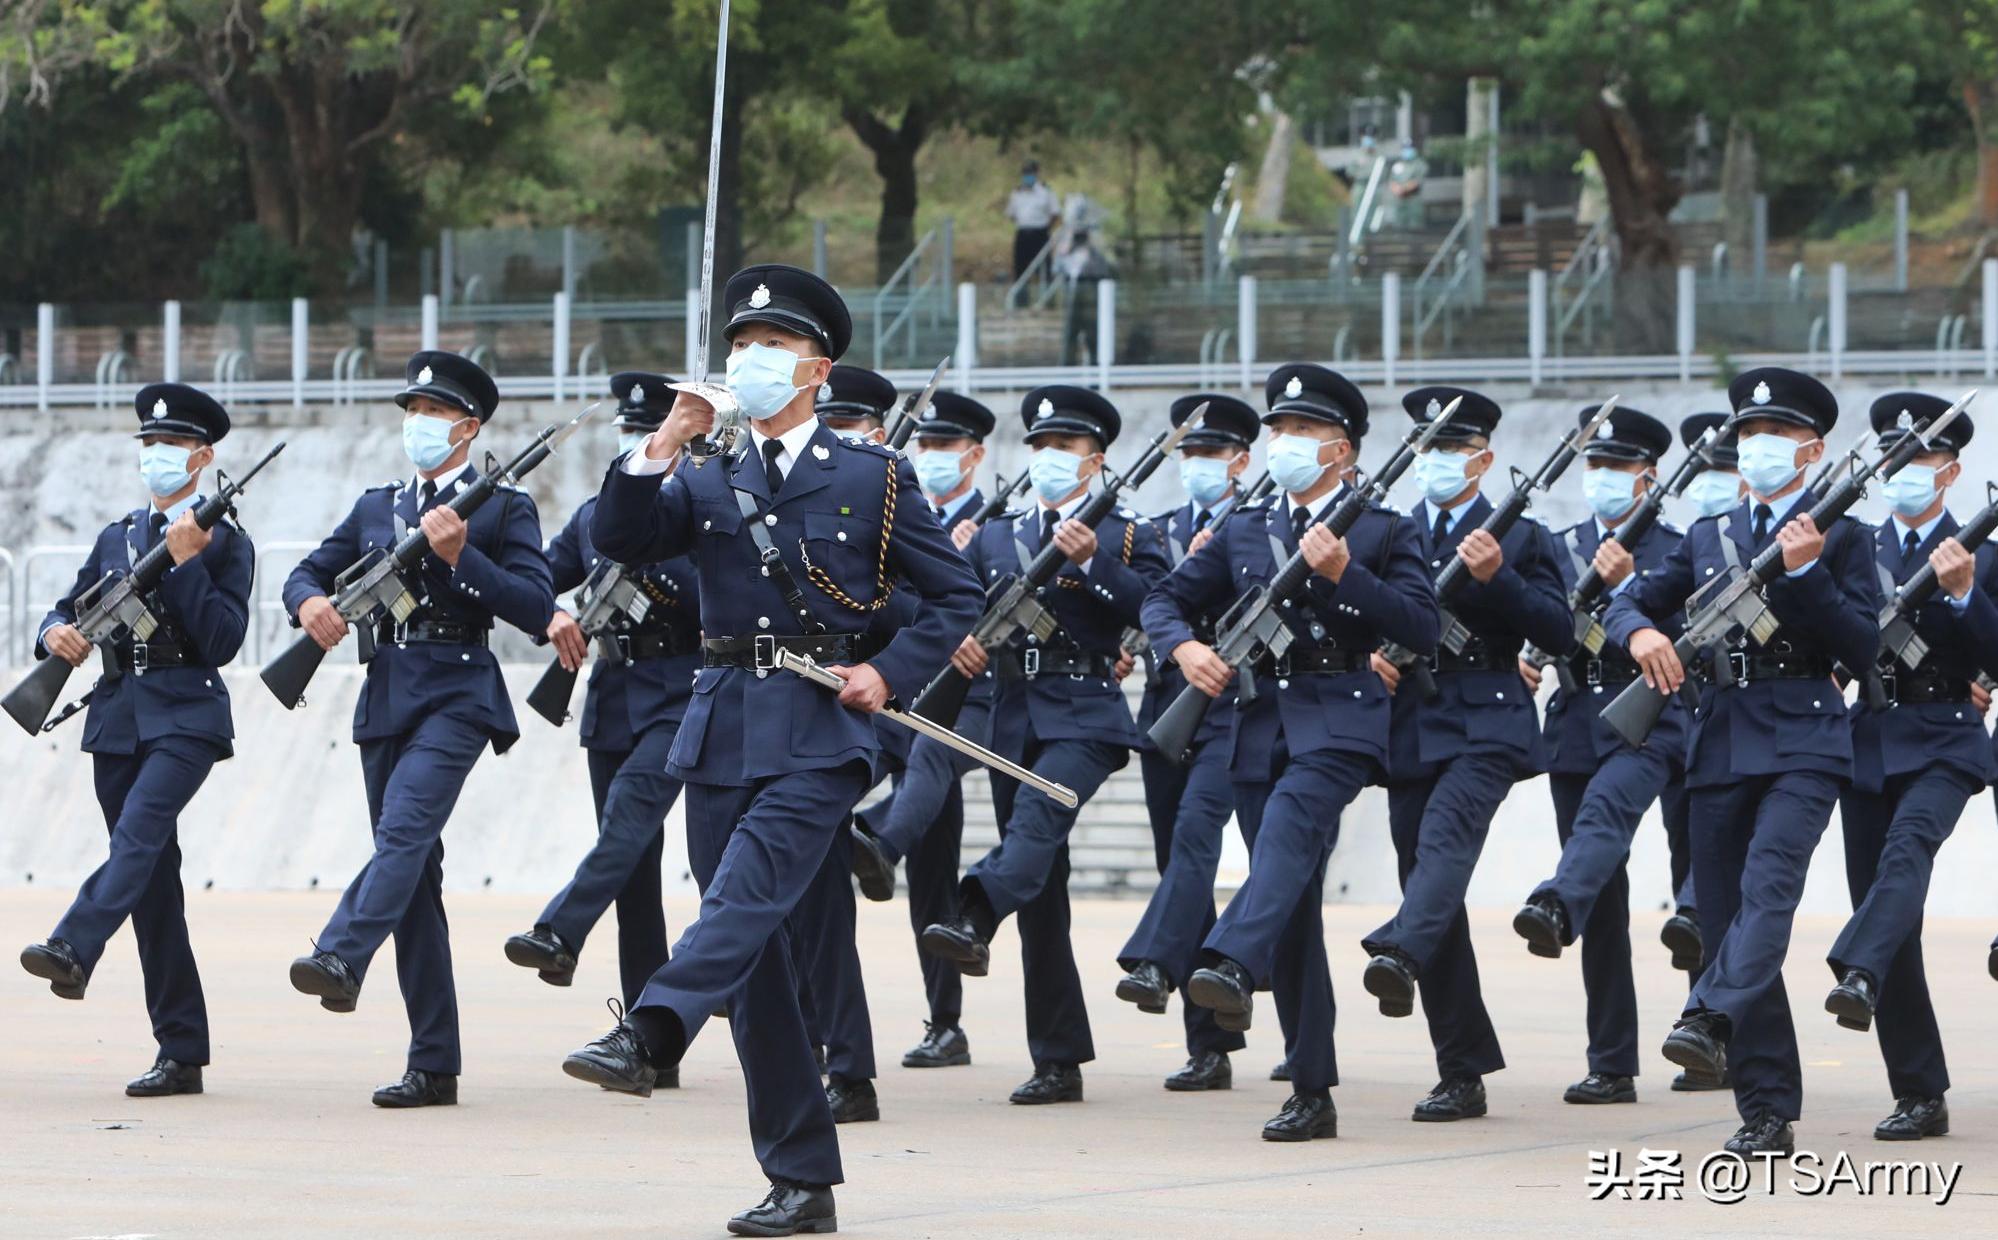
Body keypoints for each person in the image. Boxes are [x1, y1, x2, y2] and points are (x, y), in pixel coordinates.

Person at [559, 264, 981, 1236]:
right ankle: (801, 1178)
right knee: (749, 959)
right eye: (741, 346)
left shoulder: (872, 476)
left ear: (817, 368)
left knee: (745, 894)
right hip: (718, 724)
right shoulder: (706, 475)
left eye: (772, 347)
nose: (750, 360)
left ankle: (651, 1030)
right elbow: (618, 537)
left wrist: (892, 670)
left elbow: (956, 598)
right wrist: (666, 438)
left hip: (821, 726)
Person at [1152, 366, 1440, 1140]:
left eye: (1301, 432)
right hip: (1257, 721)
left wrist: (1348, 576)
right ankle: (1311, 1087)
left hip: (1339, 722)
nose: (1282, 443)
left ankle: (1229, 961)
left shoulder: (1381, 529)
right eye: (1277, 430)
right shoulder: (1244, 528)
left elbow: (1421, 627)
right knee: (1296, 907)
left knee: (1284, 836)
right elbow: (1166, 598)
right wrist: (1183, 651)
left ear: (1341, 450)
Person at [1604, 367, 1879, 1155]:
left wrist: (1808, 573)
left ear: (1813, 450)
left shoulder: (1844, 537)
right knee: (1723, 919)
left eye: (1774, 437)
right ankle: (1766, 1109)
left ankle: (1707, 1016)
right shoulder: (1709, 534)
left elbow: (1867, 650)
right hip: (1719, 742)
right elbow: (1627, 599)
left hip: (1805, 740)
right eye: (1747, 436)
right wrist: (1638, 635)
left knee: (1767, 897)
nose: (1755, 448)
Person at [282, 350, 555, 1108]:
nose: (419, 426)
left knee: (402, 837)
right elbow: (307, 571)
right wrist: (308, 605)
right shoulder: (378, 506)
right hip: (387, 696)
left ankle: (340, 953)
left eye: (434, 415)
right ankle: (433, 1063)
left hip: (459, 694)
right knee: (413, 878)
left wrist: (462, 558)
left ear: (469, 427)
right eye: (413, 413)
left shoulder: (502, 506)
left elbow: (535, 607)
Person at [919, 386, 1171, 1106]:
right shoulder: (997, 534)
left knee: (1035, 822)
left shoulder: (1123, 533)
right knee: (1041, 885)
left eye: (1064, 448)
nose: (1049, 459)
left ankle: (972, 912)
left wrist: (1096, 564)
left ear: (1094, 462)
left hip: (1085, 716)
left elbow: (1155, 607)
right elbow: (957, 606)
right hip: (1012, 714)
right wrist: (962, 645)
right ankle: (1057, 1057)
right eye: (1040, 447)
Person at [18, 384, 252, 1099]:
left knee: (137, 842)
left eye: (172, 446)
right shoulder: (118, 535)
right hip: (117, 718)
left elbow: (222, 640)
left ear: (204, 456)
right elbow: (71, 603)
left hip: (186, 716)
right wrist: (50, 632)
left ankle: (73, 945)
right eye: (149, 446)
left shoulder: (225, 542)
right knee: (152, 888)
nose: (156, 456)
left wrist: (184, 565)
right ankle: (181, 1051)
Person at [1360, 387, 1569, 1123]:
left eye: (1452, 448)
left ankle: (1398, 951)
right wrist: (1371, 659)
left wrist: (1497, 579)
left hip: (1487, 720)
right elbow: (1357, 610)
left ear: (1482, 459)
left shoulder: (1522, 536)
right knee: (1429, 882)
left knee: (1444, 847)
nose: (1436, 460)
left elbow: (1561, 628)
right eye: (1428, 447)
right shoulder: (1391, 533)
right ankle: (1462, 1067)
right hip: (1414, 722)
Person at [502, 373, 701, 1079]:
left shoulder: (695, 514)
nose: (635, 442)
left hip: (677, 695)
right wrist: (548, 613)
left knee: (624, 828)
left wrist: (647, 576)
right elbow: (538, 577)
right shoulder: (595, 516)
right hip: (612, 697)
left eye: (647, 430)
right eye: (628, 432)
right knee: (634, 873)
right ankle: (654, 1045)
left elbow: (715, 603)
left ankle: (559, 930)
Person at [1510, 405, 1697, 1106]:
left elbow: (1686, 635)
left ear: (1648, 480)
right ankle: (1612, 1061)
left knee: (1605, 824)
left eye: (1618, 468)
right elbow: (1539, 616)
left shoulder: (1675, 549)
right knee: (1603, 896)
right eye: (1596, 466)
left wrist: (1621, 590)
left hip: (1648, 718)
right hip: (1577, 719)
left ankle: (1555, 903)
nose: (1603, 479)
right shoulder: (1560, 546)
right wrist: (1520, 660)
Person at [1829, 393, 1996, 1141]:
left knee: (1906, 856)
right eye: (1892, 457)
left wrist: (1965, 594)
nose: (1902, 470)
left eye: (1919, 459)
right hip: (1870, 737)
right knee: (1885, 904)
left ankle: (1855, 968)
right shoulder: (1856, 545)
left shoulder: (1982, 551)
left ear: (1951, 470)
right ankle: (1919, 1091)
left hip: (1946, 739)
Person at [1113, 391, 1263, 1094]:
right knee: (1183, 861)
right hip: (1169, 707)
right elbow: (1143, 602)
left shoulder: (1260, 528)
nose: (1199, 464)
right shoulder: (1160, 529)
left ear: (1241, 460)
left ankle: (1156, 964)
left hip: (1239, 710)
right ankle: (1211, 1045)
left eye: (1212, 453)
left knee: (1204, 842)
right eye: (1191, 453)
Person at [848, 391, 997, 1072]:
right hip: (894, 702)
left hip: (958, 708)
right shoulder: (883, 508)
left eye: (946, 447)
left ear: (973, 455)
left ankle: (945, 1022)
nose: (933, 458)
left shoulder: (993, 523)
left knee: (933, 876)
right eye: (926, 446)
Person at [788, 361, 902, 1126]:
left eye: (854, 423)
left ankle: (848, 1068)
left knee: (823, 909)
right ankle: (814, 1055)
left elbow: (922, 599)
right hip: (780, 711)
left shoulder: (885, 491)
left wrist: (869, 656)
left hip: (864, 709)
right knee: (790, 907)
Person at [1006, 159, 1061, 286]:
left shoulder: (1045, 192)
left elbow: (1055, 213)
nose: (1027, 176)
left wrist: (1047, 227)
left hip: (1040, 234)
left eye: (1030, 172)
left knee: (1044, 269)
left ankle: (1047, 299)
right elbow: (1011, 214)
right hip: (1023, 234)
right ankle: (1021, 301)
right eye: (1025, 173)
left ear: (1036, 173)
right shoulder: (1017, 193)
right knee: (1020, 268)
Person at [1387, 141, 1428, 230]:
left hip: (1413, 199)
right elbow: (1392, 180)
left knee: (1415, 226)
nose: (1407, 151)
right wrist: (1396, 189)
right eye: (1405, 149)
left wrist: (1403, 189)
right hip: (1399, 199)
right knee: (1399, 225)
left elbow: (1417, 181)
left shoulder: (1419, 164)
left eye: (1409, 149)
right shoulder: (1398, 164)